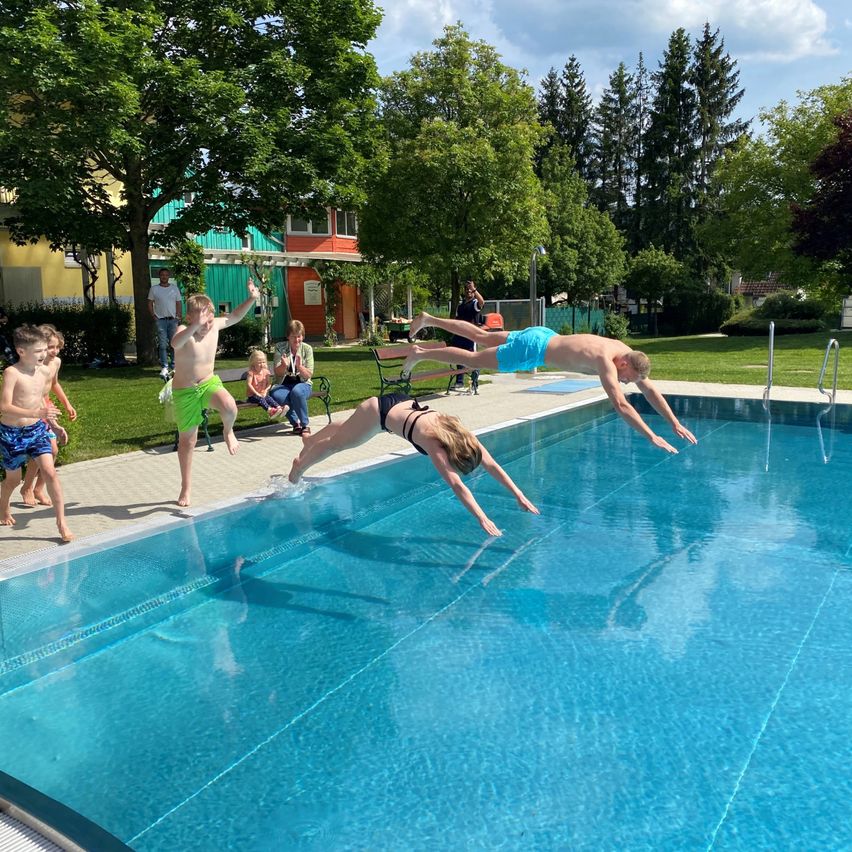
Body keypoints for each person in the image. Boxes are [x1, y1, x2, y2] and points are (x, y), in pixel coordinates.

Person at [404, 312, 697, 454]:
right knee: (473, 359)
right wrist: (650, 435)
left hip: (542, 334)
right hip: (534, 351)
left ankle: (429, 319)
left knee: (481, 336)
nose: (625, 381)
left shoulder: (620, 347)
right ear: (623, 365)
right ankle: (420, 352)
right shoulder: (605, 362)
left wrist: (672, 422)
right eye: (626, 378)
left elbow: (649, 387)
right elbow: (620, 405)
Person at [288, 392, 540, 536]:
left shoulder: (464, 436)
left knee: (347, 432)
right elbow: (457, 486)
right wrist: (482, 518)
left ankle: (310, 439)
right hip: (378, 415)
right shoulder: (435, 444)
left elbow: (492, 464)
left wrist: (518, 494)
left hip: (399, 401)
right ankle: (300, 464)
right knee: (338, 444)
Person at [171, 279, 259, 506]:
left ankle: (228, 431)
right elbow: (175, 343)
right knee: (187, 443)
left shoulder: (214, 325)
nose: (208, 324)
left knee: (230, 406)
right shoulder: (185, 331)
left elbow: (235, 316)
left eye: (210, 319)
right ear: (189, 318)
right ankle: (186, 487)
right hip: (186, 391)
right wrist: (194, 326)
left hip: (208, 383)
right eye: (203, 320)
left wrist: (251, 298)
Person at [0, 325, 73, 541]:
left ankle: (62, 523)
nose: (44, 354)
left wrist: (54, 425)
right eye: (38, 351)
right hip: (11, 433)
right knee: (13, 480)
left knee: (50, 472)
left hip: (36, 430)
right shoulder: (12, 373)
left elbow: (41, 401)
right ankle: (3, 508)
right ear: (22, 351)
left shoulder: (44, 372)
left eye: (44, 349)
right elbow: (4, 406)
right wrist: (36, 411)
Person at [20, 325, 76, 507]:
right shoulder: (34, 366)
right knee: (44, 450)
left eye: (57, 347)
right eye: (50, 347)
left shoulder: (56, 362)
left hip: (47, 406)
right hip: (35, 409)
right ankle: (27, 488)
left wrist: (67, 404)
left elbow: (54, 384)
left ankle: (36, 488)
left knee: (51, 451)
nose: (54, 351)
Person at [270, 319, 314, 435]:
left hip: (303, 384)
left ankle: (305, 425)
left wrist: (299, 367)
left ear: (303, 336)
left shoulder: (307, 349)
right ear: (288, 337)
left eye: (299, 336)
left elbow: (309, 374)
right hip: (283, 384)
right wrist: (284, 365)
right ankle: (295, 424)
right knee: (276, 394)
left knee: (297, 392)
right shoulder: (280, 347)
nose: (297, 340)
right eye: (293, 336)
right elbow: (278, 373)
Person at [147, 267, 183, 379]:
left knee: (174, 344)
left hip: (173, 320)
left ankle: (174, 366)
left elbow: (178, 302)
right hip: (160, 320)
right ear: (159, 276)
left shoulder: (174, 289)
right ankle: (164, 367)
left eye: (166, 275)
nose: (164, 277)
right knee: (162, 345)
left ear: (169, 276)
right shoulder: (154, 289)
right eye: (162, 275)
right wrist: (154, 316)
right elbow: (149, 303)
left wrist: (178, 315)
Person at [451, 279, 484, 393]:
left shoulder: (474, 304)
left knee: (474, 359)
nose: (468, 291)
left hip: (471, 337)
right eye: (467, 290)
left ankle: (474, 383)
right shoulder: (460, 306)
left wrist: (474, 289)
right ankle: (459, 382)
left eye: (470, 290)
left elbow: (482, 302)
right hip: (460, 336)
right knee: (459, 358)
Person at [245, 350, 284, 419]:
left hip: (263, 393)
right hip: (252, 396)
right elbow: (249, 384)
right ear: (253, 363)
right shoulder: (251, 373)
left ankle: (279, 408)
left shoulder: (266, 372)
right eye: (259, 363)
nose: (262, 364)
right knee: (261, 399)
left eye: (263, 362)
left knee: (269, 398)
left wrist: (265, 391)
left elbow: (269, 383)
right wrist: (257, 393)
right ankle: (270, 411)